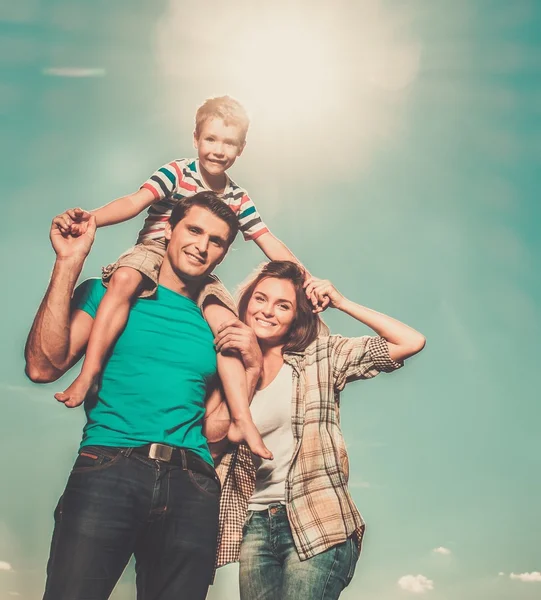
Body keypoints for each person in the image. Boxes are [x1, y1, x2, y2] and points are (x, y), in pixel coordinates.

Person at [24, 192, 251, 600]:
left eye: (216, 241)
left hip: (194, 484)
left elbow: (217, 431)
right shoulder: (110, 294)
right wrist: (68, 262)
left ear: (223, 253)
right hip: (111, 466)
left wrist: (250, 368)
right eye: (194, 230)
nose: (202, 245)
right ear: (170, 229)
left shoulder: (216, 324)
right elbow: (43, 366)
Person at [53, 95, 305, 457]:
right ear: (196, 139)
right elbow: (135, 201)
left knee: (228, 327)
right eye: (211, 139)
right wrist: (91, 218)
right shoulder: (178, 172)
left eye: (229, 143)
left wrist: (304, 278)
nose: (218, 150)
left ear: (241, 149)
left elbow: (267, 240)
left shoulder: (238, 197)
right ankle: (89, 373)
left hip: (200, 275)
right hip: (153, 253)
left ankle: (241, 419)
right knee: (123, 281)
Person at [209, 261, 426, 600]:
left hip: (317, 519)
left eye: (283, 305)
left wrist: (342, 302)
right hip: (255, 524)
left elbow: (410, 341)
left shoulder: (319, 357)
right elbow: (212, 444)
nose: (267, 311)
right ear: (246, 302)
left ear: (297, 316)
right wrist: (250, 369)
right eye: (260, 299)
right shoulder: (228, 369)